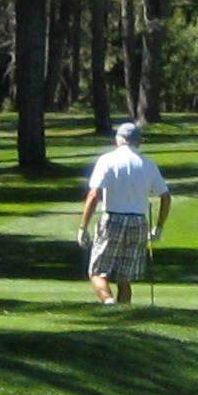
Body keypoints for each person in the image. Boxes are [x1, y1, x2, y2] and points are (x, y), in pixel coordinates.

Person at [78, 120, 171, 306]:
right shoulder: (148, 164)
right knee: (124, 278)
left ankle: (109, 302)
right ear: (139, 142)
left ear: (118, 140)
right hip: (138, 222)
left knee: (97, 272)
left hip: (113, 219)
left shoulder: (107, 160)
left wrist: (83, 226)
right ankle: (123, 312)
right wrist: (159, 227)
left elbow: (94, 194)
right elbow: (166, 197)